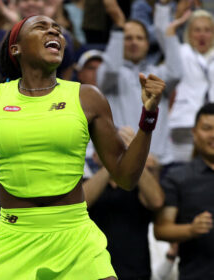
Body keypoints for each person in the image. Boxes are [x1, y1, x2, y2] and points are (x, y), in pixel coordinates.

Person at [0, 15, 165, 280]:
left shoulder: (88, 97)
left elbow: (125, 177)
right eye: (41, 28)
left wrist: (148, 118)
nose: (54, 32)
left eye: (58, 30)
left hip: (75, 235)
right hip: (12, 236)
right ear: (16, 48)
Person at [97, 4, 185, 166]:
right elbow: (111, 69)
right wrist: (118, 28)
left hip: (158, 160)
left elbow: (176, 73)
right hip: (121, 160)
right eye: (128, 38)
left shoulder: (157, 74)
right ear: (120, 42)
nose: (134, 42)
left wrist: (170, 36)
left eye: (139, 38)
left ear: (147, 43)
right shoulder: (110, 74)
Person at [84, 126, 165, 280]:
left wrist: (134, 155)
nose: (116, 152)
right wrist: (114, 164)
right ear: (94, 157)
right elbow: (82, 202)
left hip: (136, 272)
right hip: (96, 272)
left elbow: (157, 201)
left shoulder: (138, 186)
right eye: (107, 148)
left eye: (120, 147)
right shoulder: (88, 184)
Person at [154, 103, 214, 279]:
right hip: (197, 274)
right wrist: (191, 230)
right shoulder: (177, 178)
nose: (213, 134)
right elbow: (161, 229)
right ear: (194, 133)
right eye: (207, 128)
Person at [164, 9, 214, 163]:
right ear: (189, 34)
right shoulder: (181, 52)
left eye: (207, 30)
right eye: (197, 30)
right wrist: (172, 27)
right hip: (184, 122)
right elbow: (166, 36)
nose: (202, 35)